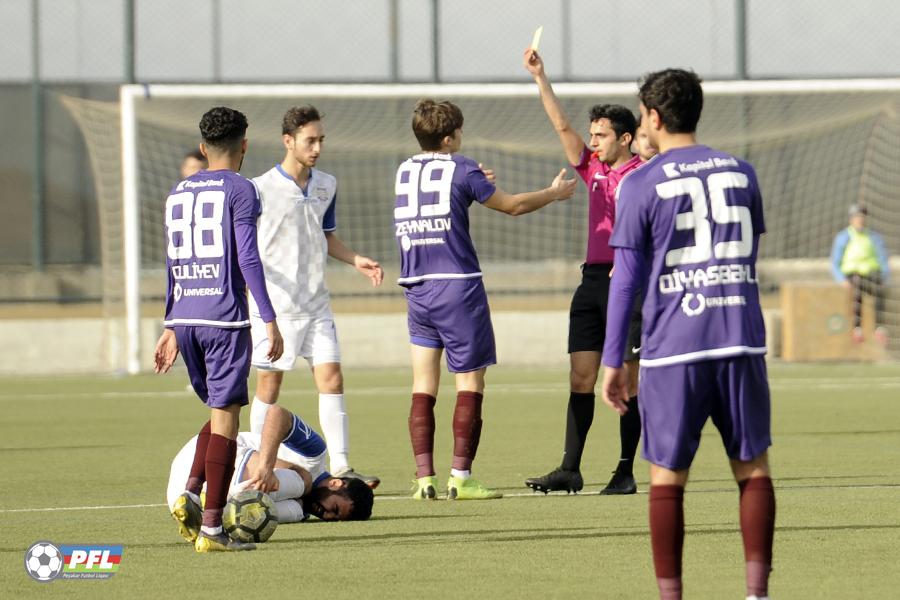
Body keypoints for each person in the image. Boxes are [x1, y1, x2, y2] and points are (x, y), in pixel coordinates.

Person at [601, 68, 775, 600]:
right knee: (752, 468)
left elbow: (626, 281)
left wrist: (613, 359)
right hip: (739, 339)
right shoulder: (742, 173)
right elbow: (747, 256)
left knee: (667, 478)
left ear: (652, 117)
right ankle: (756, 594)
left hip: (674, 348)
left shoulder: (640, 183)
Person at [397, 99, 576, 501]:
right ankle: (460, 477)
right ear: (449, 137)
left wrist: (476, 181)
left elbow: (450, 190)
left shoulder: (405, 170)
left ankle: (424, 479)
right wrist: (552, 192)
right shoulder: (462, 168)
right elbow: (512, 206)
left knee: (423, 383)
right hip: (457, 288)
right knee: (470, 382)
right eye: (459, 131)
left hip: (416, 288)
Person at [154, 106, 284, 553]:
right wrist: (268, 316)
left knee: (217, 411)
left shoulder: (177, 190)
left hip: (186, 316)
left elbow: (172, 262)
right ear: (244, 145)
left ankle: (191, 490)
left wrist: (170, 325)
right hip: (224, 319)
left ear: (204, 147)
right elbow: (248, 258)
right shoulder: (242, 189)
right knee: (228, 418)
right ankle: (212, 528)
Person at [522, 48, 644, 495]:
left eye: (602, 135)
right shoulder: (592, 168)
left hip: (627, 282)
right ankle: (570, 469)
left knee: (628, 380)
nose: (593, 142)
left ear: (626, 138)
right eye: (591, 134)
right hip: (592, 280)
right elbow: (561, 126)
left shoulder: (644, 175)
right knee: (581, 376)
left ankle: (625, 470)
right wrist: (540, 78)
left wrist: (636, 267)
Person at [247, 106, 383, 488]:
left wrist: (356, 259)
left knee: (332, 378)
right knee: (269, 387)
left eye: (321, 139)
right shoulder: (259, 189)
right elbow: (248, 249)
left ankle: (340, 466)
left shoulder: (327, 184)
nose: (317, 147)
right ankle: (259, 459)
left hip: (316, 305)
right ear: (288, 141)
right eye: (310, 140)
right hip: (276, 309)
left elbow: (326, 235)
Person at [166, 404, 373, 528]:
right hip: (206, 458)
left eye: (333, 518)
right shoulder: (315, 455)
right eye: (335, 509)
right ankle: (218, 500)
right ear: (336, 483)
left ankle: (213, 511)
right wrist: (266, 466)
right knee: (303, 481)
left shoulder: (302, 508)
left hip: (179, 501)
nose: (326, 515)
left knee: (296, 510)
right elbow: (277, 414)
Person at [830, 204, 890, 345]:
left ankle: (879, 328)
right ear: (851, 219)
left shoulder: (873, 237)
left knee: (879, 288)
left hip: (871, 274)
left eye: (862, 217)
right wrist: (840, 279)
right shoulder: (844, 237)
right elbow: (835, 261)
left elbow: (883, 259)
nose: (860, 220)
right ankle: (857, 329)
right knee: (856, 287)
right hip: (853, 275)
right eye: (857, 217)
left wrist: (885, 276)